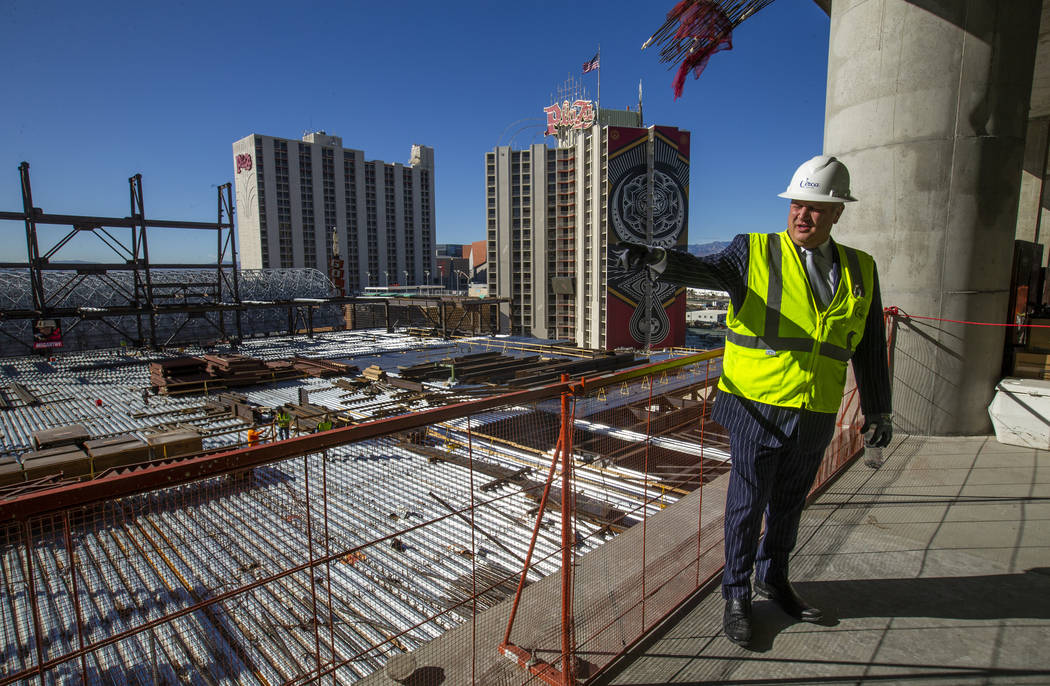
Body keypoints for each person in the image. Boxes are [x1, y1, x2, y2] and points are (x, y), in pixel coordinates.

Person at [616, 155, 892, 647]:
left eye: (815, 207)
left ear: (837, 214)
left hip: (815, 412)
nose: (802, 215)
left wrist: (878, 409)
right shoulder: (755, 252)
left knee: (789, 505)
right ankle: (736, 593)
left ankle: (774, 577)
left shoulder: (861, 269)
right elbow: (705, 269)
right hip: (755, 408)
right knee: (747, 506)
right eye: (797, 205)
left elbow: (869, 345)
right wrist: (656, 259)